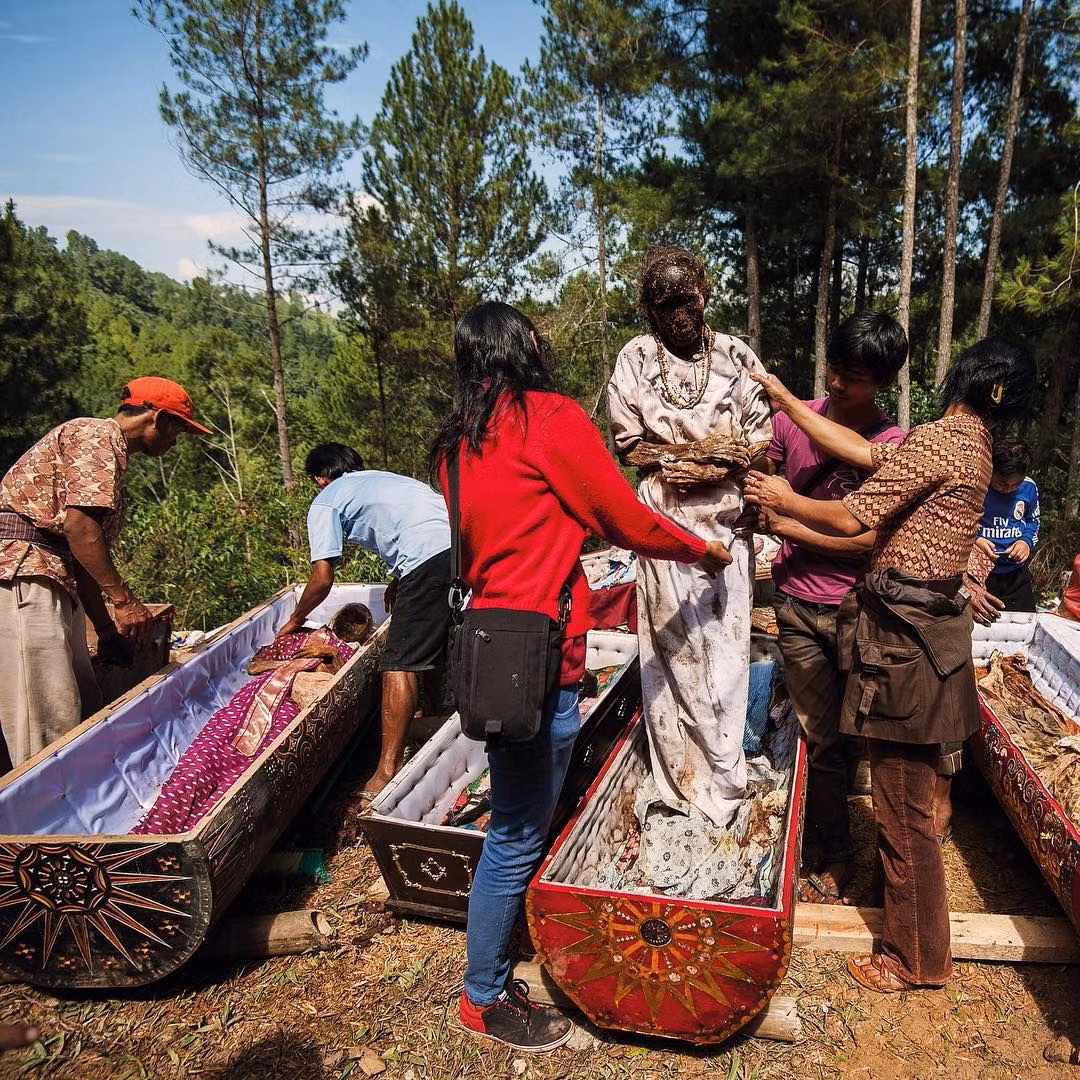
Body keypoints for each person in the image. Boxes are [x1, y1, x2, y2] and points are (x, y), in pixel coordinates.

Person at [430, 300, 732, 1052]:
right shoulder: (548, 418)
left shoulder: (454, 445)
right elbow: (622, 517)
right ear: (521, 348)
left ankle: (501, 956)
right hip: (540, 657)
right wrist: (702, 550)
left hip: (491, 649)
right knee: (517, 831)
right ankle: (483, 996)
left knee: (520, 815)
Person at [744, 338, 1035, 993]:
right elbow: (863, 453)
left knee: (901, 811)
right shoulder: (971, 445)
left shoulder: (941, 438)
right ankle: (917, 945)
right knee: (913, 804)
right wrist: (787, 399)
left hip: (904, 643)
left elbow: (853, 513)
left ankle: (913, 959)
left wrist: (781, 500)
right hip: (928, 635)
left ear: (962, 377)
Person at [607, 245, 773, 828]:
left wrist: (721, 463)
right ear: (649, 311)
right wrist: (692, 455)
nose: (679, 314)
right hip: (663, 525)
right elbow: (630, 446)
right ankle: (680, 778)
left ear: (705, 293)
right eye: (664, 305)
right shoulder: (635, 359)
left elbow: (760, 438)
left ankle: (725, 777)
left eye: (687, 299)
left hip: (726, 521)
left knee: (726, 653)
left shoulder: (733, 354)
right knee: (671, 648)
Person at [763, 310, 908, 904]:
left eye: (857, 377)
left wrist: (791, 518)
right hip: (797, 604)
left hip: (858, 607)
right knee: (821, 736)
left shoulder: (891, 443)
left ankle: (872, 854)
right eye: (837, 371)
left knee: (866, 737)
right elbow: (760, 483)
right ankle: (833, 848)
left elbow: (872, 538)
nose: (842, 385)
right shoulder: (788, 424)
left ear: (883, 381)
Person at [0, 376, 209, 770]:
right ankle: (39, 828)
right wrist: (125, 602)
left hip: (51, 574)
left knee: (80, 699)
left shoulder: (106, 452)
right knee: (43, 722)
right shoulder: (97, 436)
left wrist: (107, 630)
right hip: (22, 574)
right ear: (157, 418)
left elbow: (81, 558)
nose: (177, 439)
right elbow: (81, 529)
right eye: (178, 427)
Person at [277, 443, 451, 802]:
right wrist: (402, 578)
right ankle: (434, 718)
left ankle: (385, 774)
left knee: (397, 664)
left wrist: (295, 619)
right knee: (429, 639)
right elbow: (419, 524)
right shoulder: (388, 479)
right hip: (461, 546)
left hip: (427, 556)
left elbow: (323, 578)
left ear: (319, 478)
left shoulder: (326, 499)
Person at [974, 438, 1040, 612]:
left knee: (1023, 626)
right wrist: (976, 540)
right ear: (991, 470)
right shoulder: (978, 486)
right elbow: (959, 523)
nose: (1008, 489)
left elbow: (1033, 520)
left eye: (1015, 485)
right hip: (980, 572)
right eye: (1002, 483)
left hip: (1016, 574)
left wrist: (1025, 542)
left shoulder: (1029, 488)